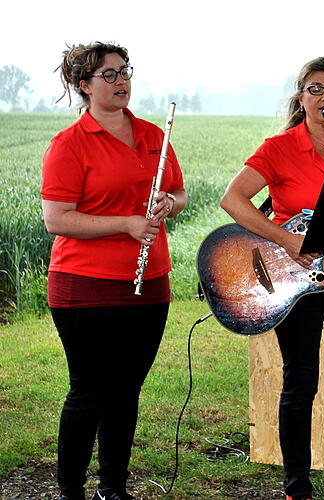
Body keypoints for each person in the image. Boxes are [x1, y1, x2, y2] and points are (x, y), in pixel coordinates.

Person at [220, 56, 324, 500]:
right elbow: (233, 199)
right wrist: (285, 239)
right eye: (316, 89)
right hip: (296, 280)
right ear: (301, 96)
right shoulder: (278, 147)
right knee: (301, 380)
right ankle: (298, 487)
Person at [41, 42, 187, 500]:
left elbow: (179, 194)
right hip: (85, 286)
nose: (121, 80)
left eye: (125, 71)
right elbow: (57, 219)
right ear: (83, 85)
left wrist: (169, 204)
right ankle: (70, 490)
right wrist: (124, 223)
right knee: (89, 392)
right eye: (108, 75)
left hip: (149, 284)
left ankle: (112, 487)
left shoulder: (152, 136)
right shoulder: (69, 145)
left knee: (126, 390)